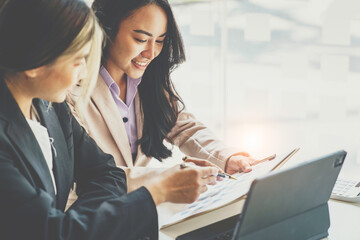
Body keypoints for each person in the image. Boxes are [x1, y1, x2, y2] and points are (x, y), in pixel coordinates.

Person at [0, 0, 218, 239]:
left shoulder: (49, 107)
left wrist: (78, 225)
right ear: (34, 62)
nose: (84, 72)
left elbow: (106, 173)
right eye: (78, 61)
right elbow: (52, 232)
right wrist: (156, 191)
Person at [68, 0, 264, 194]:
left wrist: (227, 158)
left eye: (160, 41)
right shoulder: (69, 91)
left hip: (137, 212)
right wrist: (170, 178)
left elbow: (186, 128)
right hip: (90, 215)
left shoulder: (149, 83)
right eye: (141, 40)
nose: (151, 52)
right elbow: (92, 173)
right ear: (106, 30)